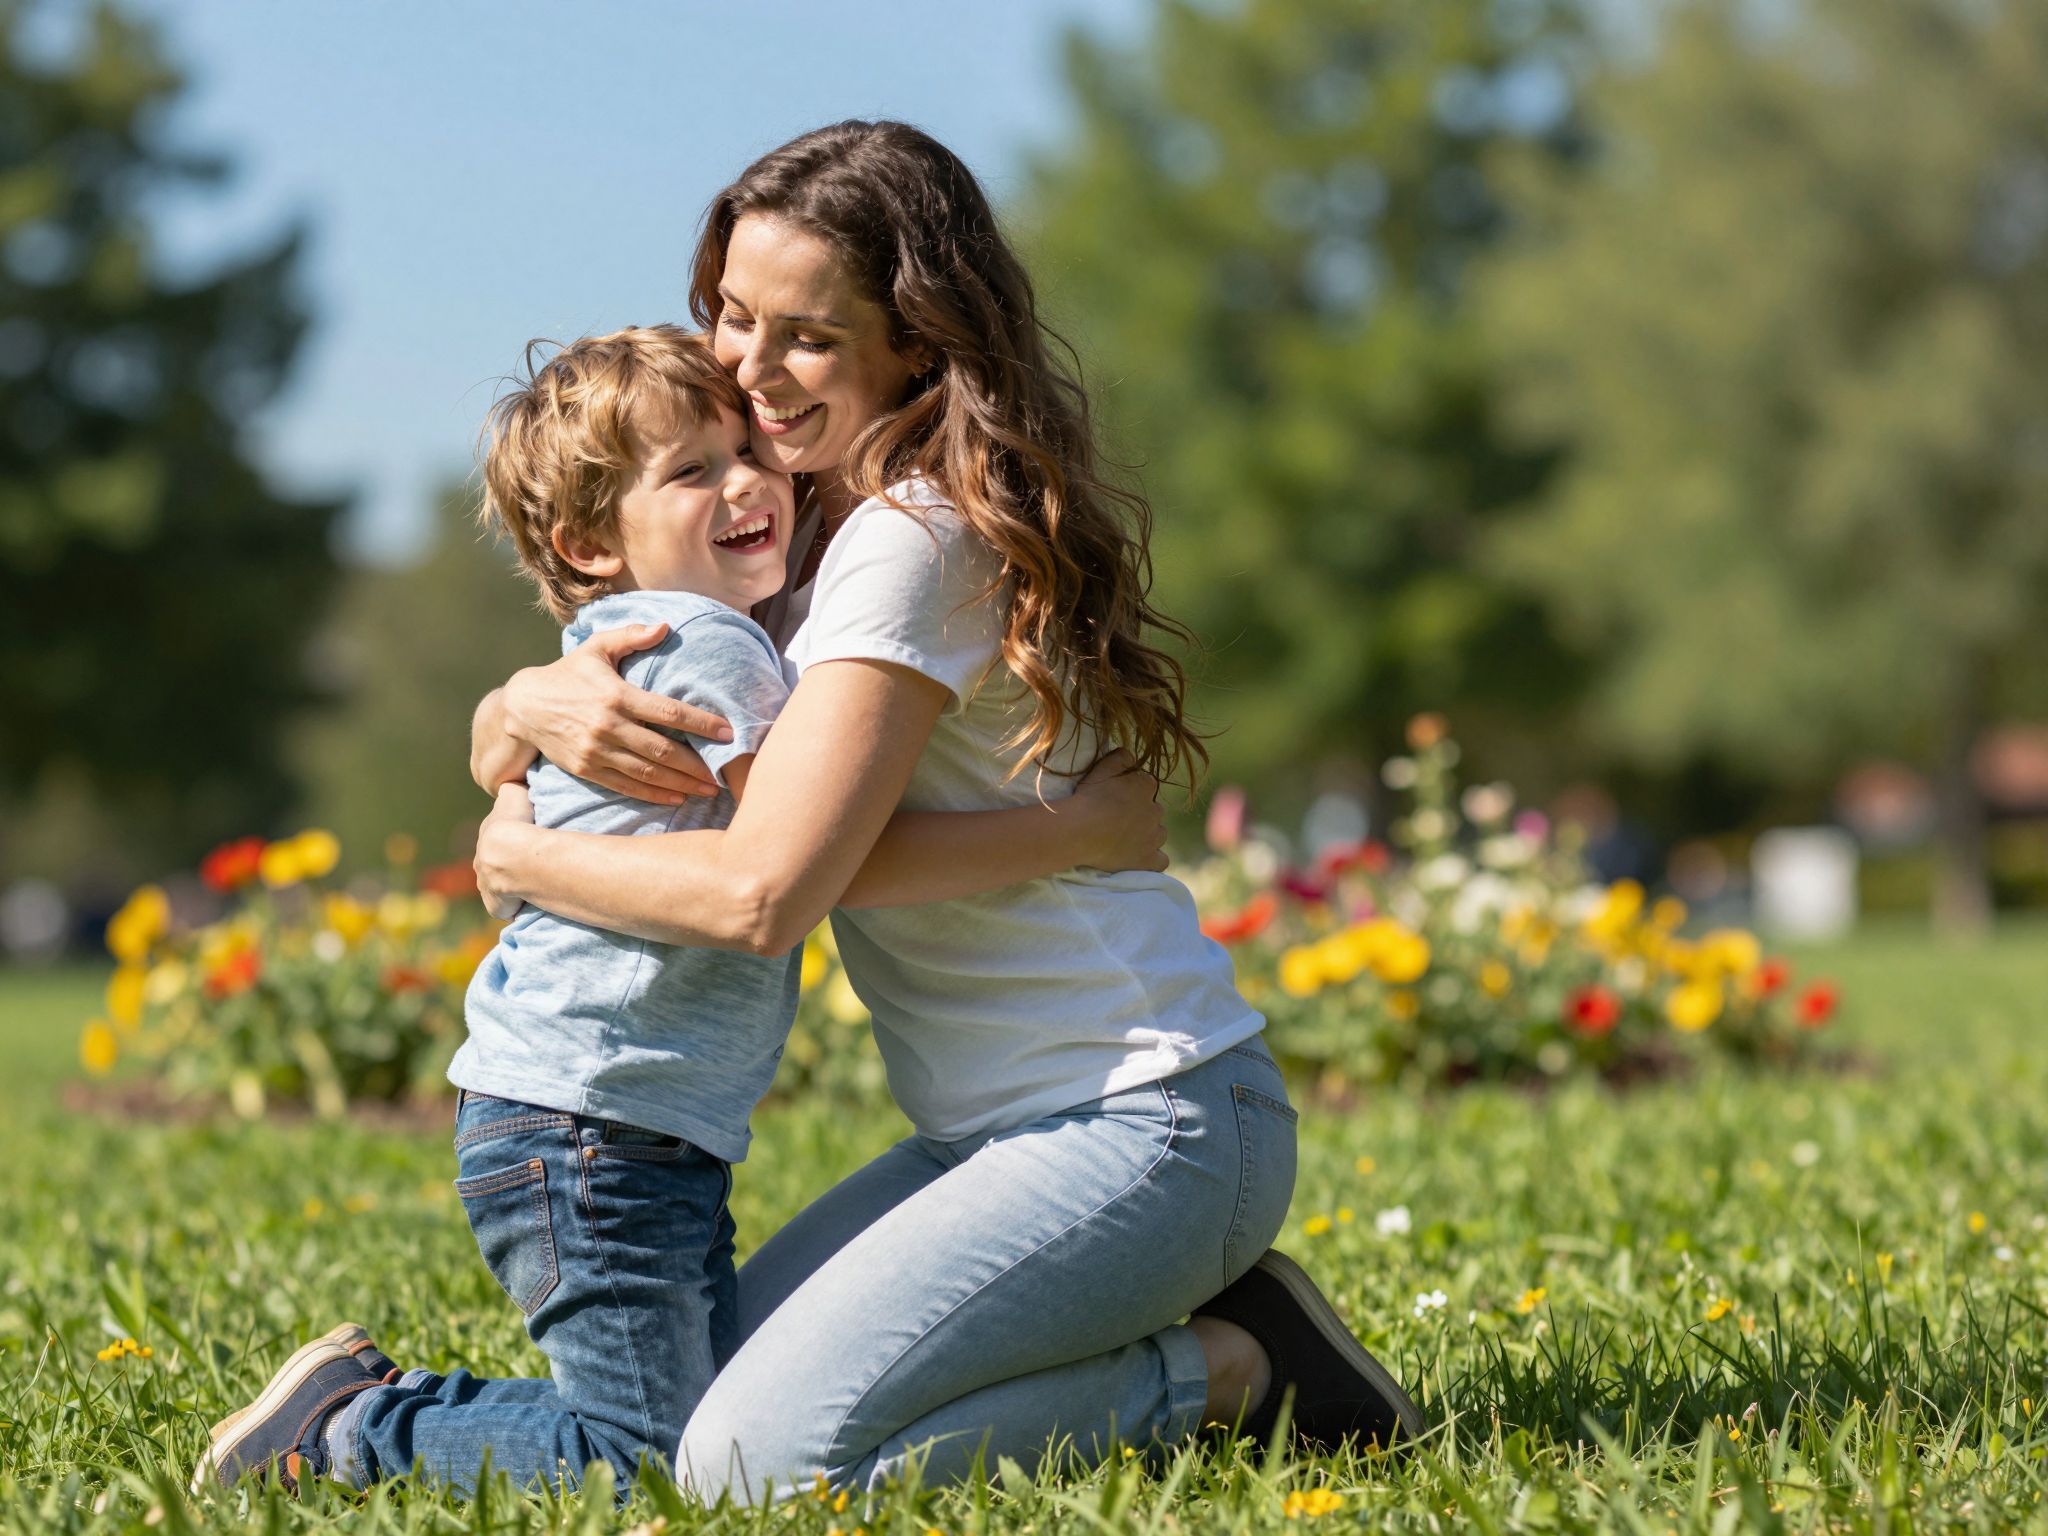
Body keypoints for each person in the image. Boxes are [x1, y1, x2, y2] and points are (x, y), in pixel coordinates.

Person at [469, 121, 1423, 1504]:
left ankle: (1235, 1369)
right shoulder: (789, 532)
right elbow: (773, 819)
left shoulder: (908, 541)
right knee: (694, 1414)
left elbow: (765, 888)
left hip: (1142, 1117)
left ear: (915, 344)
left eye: (808, 336)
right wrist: (521, 702)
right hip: (983, 1139)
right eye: (733, 314)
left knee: (746, 1470)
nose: (748, 366)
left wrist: (519, 854)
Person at [192, 327, 1165, 1498]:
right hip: (595, 1126)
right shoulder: (707, 649)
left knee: (701, 1417)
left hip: (607, 1117)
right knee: (651, 1459)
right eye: (692, 472)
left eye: (743, 453)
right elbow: (808, 856)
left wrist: (507, 720)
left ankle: (361, 1409)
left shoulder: (635, 641)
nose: (746, 483)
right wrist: (1078, 828)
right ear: (586, 543)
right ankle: (351, 1429)